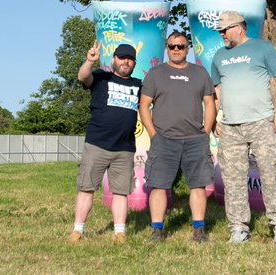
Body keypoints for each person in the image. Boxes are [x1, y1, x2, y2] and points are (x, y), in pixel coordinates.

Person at [209, 11, 276, 246]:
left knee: (268, 173)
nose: (222, 34)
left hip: (261, 122)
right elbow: (217, 89)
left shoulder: (261, 48)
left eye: (225, 30)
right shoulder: (219, 56)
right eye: (220, 31)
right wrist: (216, 118)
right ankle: (238, 228)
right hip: (230, 126)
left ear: (239, 28)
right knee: (233, 179)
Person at [138, 31, 216, 243]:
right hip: (163, 139)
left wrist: (205, 133)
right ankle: (157, 231)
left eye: (180, 46)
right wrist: (154, 134)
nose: (175, 49)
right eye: (171, 46)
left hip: (194, 140)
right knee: (159, 185)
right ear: (166, 48)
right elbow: (143, 105)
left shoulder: (200, 73)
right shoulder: (155, 74)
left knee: (198, 185)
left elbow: (210, 104)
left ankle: (198, 231)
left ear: (187, 49)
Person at [70, 41, 141, 244]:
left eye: (130, 59)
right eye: (122, 57)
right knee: (86, 188)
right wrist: (89, 61)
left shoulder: (138, 85)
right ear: (113, 60)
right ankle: (78, 230)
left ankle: (120, 233)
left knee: (120, 192)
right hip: (97, 145)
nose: (126, 62)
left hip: (125, 148)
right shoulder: (101, 77)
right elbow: (83, 77)